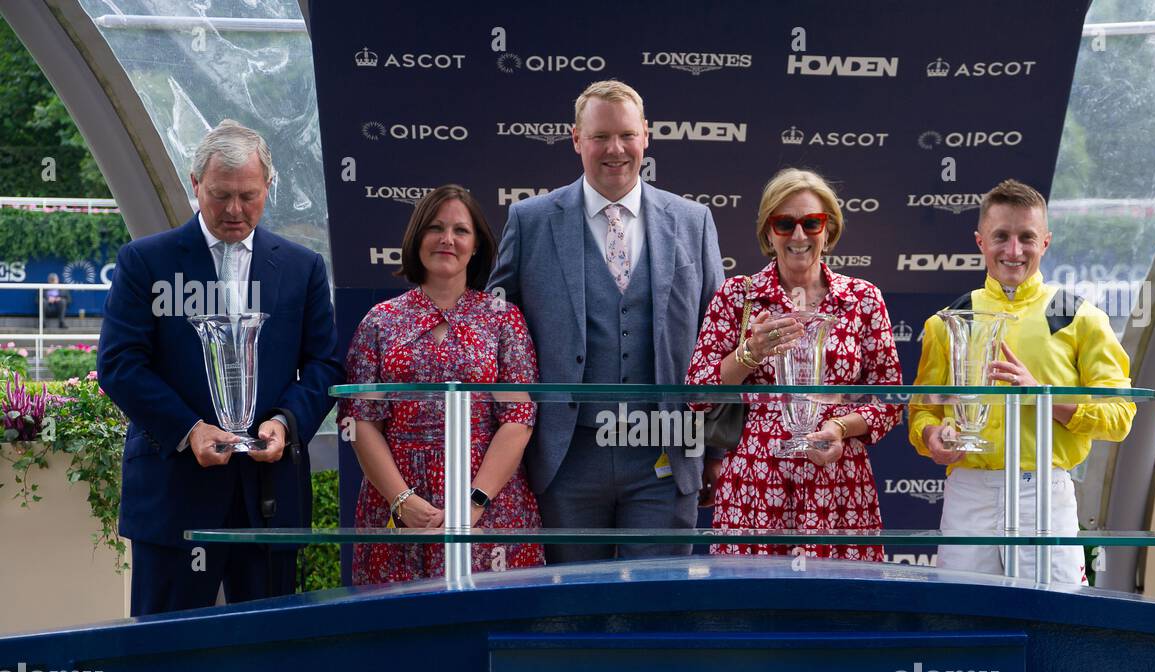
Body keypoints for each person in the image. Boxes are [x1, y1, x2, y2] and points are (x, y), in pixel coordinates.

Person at [98, 119, 343, 615]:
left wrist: (284, 423)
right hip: (174, 497)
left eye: (248, 196)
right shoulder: (146, 261)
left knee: (268, 658)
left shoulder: (302, 268)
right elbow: (120, 363)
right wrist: (189, 430)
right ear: (195, 185)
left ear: (267, 188)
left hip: (269, 500)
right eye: (220, 195)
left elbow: (325, 364)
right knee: (163, 655)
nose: (234, 209)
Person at [489, 79, 725, 564]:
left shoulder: (693, 221)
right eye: (599, 137)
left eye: (626, 135)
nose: (614, 149)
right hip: (565, 458)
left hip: (666, 452)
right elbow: (495, 332)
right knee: (572, 612)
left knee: (655, 610)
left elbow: (717, 337)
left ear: (646, 136)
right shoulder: (530, 221)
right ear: (577, 139)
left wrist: (718, 453)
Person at [908, 178, 1136, 582]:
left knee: (1053, 618)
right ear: (980, 241)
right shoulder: (947, 322)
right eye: (1001, 237)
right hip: (969, 489)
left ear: (1045, 242)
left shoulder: (1081, 316)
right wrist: (932, 438)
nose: (1013, 251)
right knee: (964, 618)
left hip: (1043, 491)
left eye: (1026, 237)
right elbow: (923, 410)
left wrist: (1042, 396)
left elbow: (1120, 415)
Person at [685, 168, 903, 560]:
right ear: (769, 232)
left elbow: (890, 396)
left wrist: (838, 427)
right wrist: (749, 353)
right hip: (756, 479)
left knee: (840, 606)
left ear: (829, 230)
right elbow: (698, 393)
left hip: (839, 478)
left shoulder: (862, 298)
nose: (799, 236)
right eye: (785, 224)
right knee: (752, 605)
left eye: (811, 223)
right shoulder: (738, 295)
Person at [340, 185, 543, 581]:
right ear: (417, 239)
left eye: (460, 230)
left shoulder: (504, 319)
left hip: (489, 499)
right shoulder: (379, 322)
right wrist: (402, 501)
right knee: (400, 625)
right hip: (399, 502)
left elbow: (518, 418)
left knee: (490, 622)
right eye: (435, 227)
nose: (447, 239)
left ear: (477, 246)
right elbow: (360, 421)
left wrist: (474, 503)